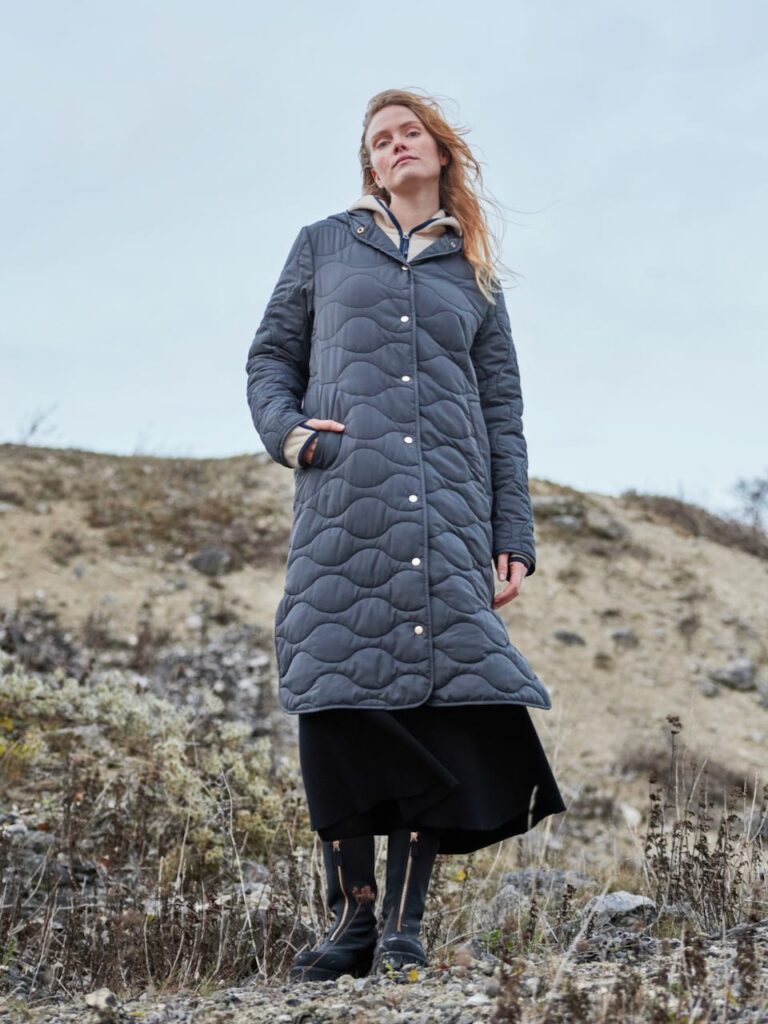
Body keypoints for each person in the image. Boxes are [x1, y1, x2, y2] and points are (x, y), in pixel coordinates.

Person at [245, 88, 566, 983]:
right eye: (379, 141)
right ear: (371, 166)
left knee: (439, 704)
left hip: (451, 517)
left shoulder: (474, 275)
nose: (395, 147)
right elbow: (270, 357)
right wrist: (292, 435)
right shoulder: (323, 245)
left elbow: (502, 412)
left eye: (409, 132)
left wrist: (512, 532)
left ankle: (402, 926)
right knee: (337, 693)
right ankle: (352, 919)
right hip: (344, 508)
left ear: (440, 150)